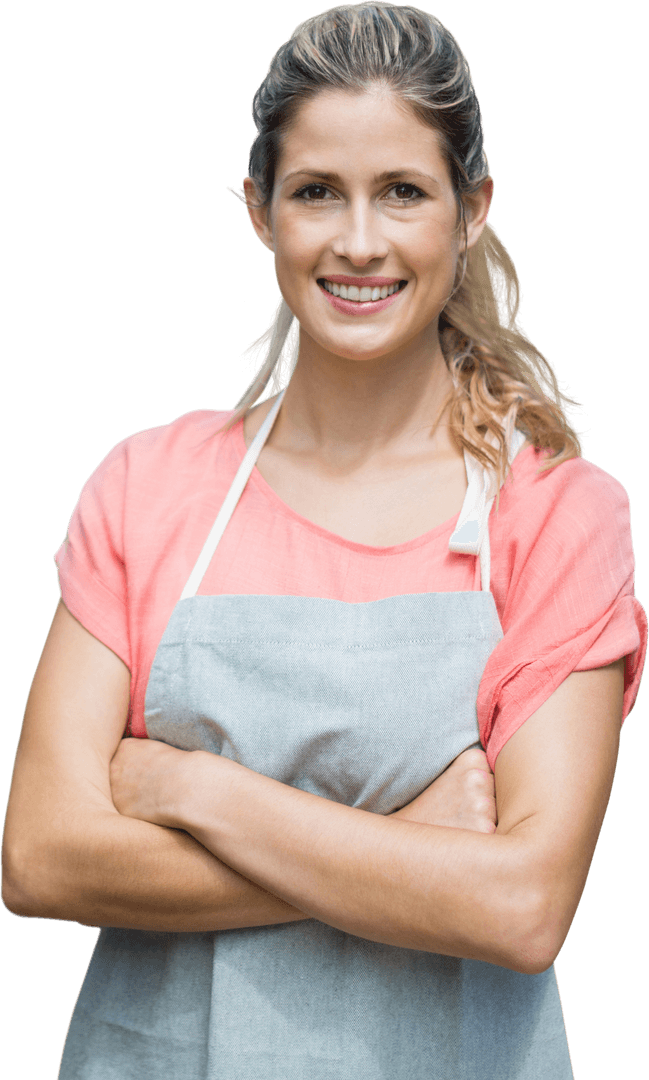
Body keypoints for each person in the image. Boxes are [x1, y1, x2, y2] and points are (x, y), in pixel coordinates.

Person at [3, 3, 646, 1077]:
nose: (357, 240)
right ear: (261, 213)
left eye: (402, 191)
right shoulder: (147, 488)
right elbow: (37, 857)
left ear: (471, 209)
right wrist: (413, 845)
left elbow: (523, 905)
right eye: (315, 193)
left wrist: (197, 792)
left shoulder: (556, 515)